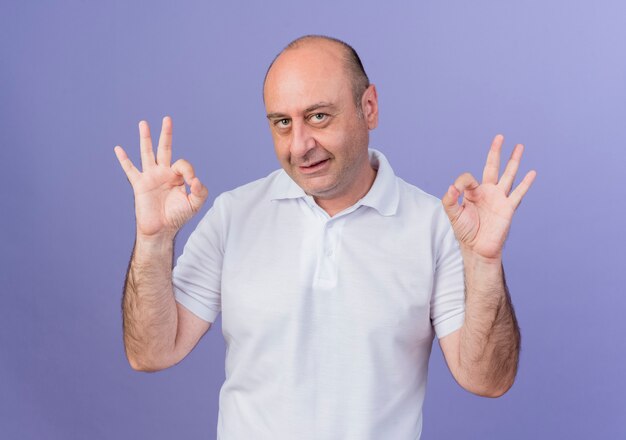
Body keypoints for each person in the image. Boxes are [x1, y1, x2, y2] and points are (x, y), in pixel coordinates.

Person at [114, 35, 536, 439]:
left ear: (368, 107)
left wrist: (484, 262)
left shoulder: (433, 225)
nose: (299, 145)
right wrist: (153, 240)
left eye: (318, 116)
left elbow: (487, 381)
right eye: (282, 123)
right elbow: (150, 353)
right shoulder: (233, 214)